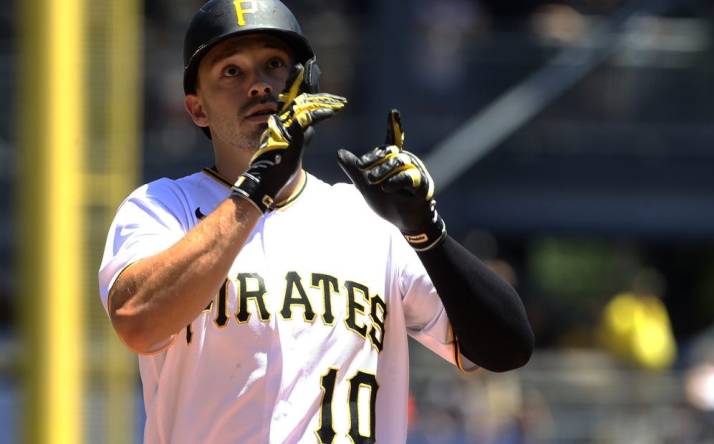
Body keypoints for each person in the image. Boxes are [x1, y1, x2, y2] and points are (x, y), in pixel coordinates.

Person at [97, 1, 533, 443]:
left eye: (274, 65)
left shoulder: (368, 223)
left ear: (305, 85)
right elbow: (136, 320)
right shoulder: (162, 207)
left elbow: (508, 347)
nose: (257, 85)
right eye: (231, 71)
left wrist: (427, 231)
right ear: (197, 109)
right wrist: (254, 192)